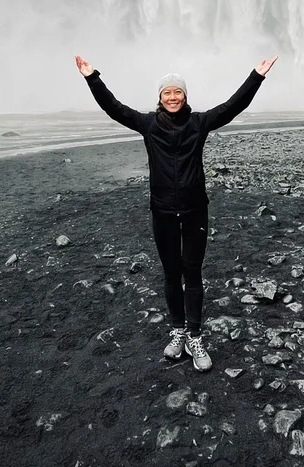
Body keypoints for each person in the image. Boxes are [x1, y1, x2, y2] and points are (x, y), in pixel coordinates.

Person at [74, 54, 278, 371]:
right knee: (171, 274)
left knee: (192, 272)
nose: (172, 97)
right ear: (160, 97)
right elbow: (113, 107)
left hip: (196, 210)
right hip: (163, 212)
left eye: (177, 92)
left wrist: (256, 76)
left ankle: (195, 337)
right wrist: (92, 77)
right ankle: (178, 332)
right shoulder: (147, 124)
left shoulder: (200, 123)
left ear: (185, 96)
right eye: (167, 92)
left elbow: (233, 106)